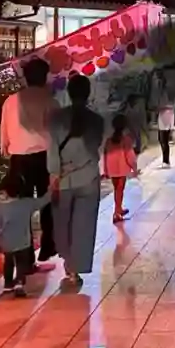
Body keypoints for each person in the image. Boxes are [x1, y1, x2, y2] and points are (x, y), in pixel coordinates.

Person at [48, 73, 106, 287]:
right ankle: (75, 269)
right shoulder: (97, 120)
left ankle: (68, 262)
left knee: (62, 223)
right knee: (84, 225)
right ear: (88, 93)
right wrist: (77, 164)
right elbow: (94, 149)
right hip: (88, 176)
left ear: (69, 93)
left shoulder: (55, 118)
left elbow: (52, 149)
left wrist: (55, 173)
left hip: (62, 179)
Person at [0, 58, 58, 263]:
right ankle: (47, 247)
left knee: (21, 209)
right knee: (47, 203)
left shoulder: (11, 101)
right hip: (44, 157)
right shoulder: (50, 101)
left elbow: (4, 136)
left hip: (19, 159)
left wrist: (8, 151)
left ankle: (26, 258)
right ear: (44, 77)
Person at [0, 171, 51, 297]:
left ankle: (7, 284)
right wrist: (52, 189)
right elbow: (43, 201)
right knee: (21, 263)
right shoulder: (27, 204)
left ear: (5, 190)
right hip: (23, 242)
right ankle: (19, 282)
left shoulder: (1, 208)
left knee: (8, 262)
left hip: (7, 242)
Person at [102, 113, 140, 223]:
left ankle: (118, 209)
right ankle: (117, 212)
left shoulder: (109, 140)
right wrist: (134, 168)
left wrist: (105, 170)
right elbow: (130, 156)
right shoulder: (126, 140)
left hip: (112, 169)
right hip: (121, 168)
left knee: (117, 190)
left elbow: (105, 155)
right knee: (120, 190)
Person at [152, 73, 175, 166]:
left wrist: (157, 107)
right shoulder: (163, 91)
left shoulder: (165, 91)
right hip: (165, 115)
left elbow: (167, 104)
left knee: (163, 139)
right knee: (163, 139)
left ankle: (166, 161)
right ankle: (165, 160)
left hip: (166, 115)